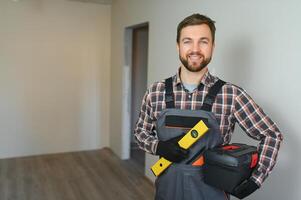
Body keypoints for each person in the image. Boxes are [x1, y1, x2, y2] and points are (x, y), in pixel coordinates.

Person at [134, 13, 283, 200]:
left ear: (213, 46)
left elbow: (272, 135)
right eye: (187, 41)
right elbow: (140, 133)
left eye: (203, 41)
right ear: (178, 46)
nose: (195, 49)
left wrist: (256, 179)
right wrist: (158, 147)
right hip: (167, 190)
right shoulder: (156, 92)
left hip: (211, 192)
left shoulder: (231, 94)